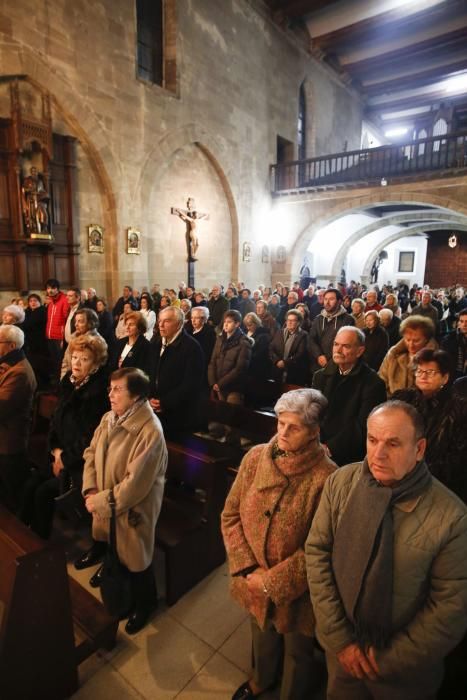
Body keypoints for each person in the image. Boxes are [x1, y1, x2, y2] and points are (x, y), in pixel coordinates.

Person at [305, 401, 467, 700]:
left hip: (403, 675)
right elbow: (317, 552)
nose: (378, 454)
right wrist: (342, 641)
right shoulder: (341, 482)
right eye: (372, 440)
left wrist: (383, 661)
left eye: (393, 443)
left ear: (419, 449)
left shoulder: (452, 517)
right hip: (342, 655)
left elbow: (449, 609)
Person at [222, 388, 336, 700]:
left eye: (294, 427)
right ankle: (260, 680)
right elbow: (230, 513)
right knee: (260, 631)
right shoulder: (256, 457)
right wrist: (248, 568)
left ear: (314, 432)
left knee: (297, 649)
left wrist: (271, 581)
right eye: (280, 423)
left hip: (297, 589)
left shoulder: (328, 477)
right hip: (252, 574)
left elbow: (320, 549)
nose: (283, 432)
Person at [82, 367, 167, 634]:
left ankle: (145, 604)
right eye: (110, 388)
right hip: (108, 500)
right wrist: (90, 489)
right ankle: (123, 594)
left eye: (118, 389)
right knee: (114, 549)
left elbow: (135, 486)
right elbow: (90, 453)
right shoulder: (109, 418)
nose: (110, 394)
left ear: (137, 395)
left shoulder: (150, 431)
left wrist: (100, 502)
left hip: (134, 508)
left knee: (137, 561)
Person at [25, 334, 109, 539]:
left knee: (42, 493)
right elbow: (56, 419)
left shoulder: (98, 394)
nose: (77, 363)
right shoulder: (68, 382)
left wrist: (64, 459)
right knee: (29, 485)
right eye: (74, 357)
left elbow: (90, 438)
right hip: (59, 454)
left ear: (96, 363)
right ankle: (21, 540)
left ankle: (37, 545)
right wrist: (55, 451)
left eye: (84, 359)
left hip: (81, 465)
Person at [393, 348, 467, 502]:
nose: (423, 376)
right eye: (419, 371)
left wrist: (417, 472)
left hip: (438, 482)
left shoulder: (458, 408)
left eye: (431, 372)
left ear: (445, 378)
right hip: (399, 472)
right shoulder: (403, 398)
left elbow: (457, 458)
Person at [312, 326, 386, 466]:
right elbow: (314, 413)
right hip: (318, 446)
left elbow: (362, 426)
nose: (338, 350)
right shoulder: (320, 376)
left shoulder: (373, 383)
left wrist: (330, 447)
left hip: (347, 455)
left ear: (360, 351)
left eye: (345, 346)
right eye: (336, 344)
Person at [150, 306, 204, 437]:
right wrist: (150, 397)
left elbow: (191, 383)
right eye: (159, 320)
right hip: (154, 409)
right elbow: (148, 372)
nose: (161, 325)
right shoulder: (156, 342)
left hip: (180, 414)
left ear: (179, 323)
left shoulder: (192, 347)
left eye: (167, 321)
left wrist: (165, 402)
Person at [0, 325, 37, 511]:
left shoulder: (19, 372)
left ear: (12, 345)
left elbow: (2, 407)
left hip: (9, 441)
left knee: (12, 492)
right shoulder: (8, 364)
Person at [378, 315, 438, 395]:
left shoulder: (435, 358)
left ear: (427, 339)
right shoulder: (393, 354)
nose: (411, 344)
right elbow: (381, 380)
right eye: (407, 339)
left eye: (416, 341)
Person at [208, 309, 252, 405]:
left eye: (229, 322)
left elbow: (239, 369)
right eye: (224, 322)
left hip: (234, 388)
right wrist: (213, 382)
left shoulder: (244, 343)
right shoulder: (220, 339)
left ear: (237, 324)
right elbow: (212, 362)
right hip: (218, 385)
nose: (225, 325)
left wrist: (220, 384)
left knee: (230, 416)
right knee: (217, 415)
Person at [308, 288, 354, 373]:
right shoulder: (318, 318)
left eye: (331, 299)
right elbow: (311, 339)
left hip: (337, 365)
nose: (327, 302)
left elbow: (347, 344)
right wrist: (319, 355)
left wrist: (331, 360)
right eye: (325, 299)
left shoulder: (348, 320)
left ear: (339, 301)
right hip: (317, 363)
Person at [61, 308, 105, 378]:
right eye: (76, 321)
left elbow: (98, 369)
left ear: (90, 323)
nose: (76, 324)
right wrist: (63, 380)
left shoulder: (97, 342)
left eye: (80, 321)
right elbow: (65, 362)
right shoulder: (74, 338)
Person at [270, 309, 309, 386]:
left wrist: (285, 362)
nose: (289, 322)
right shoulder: (280, 332)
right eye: (288, 320)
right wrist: (277, 360)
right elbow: (271, 348)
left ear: (298, 322)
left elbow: (300, 354)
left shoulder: (304, 335)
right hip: (277, 370)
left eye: (293, 320)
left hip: (293, 372)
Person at [110, 311, 152, 376]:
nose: (127, 327)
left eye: (131, 324)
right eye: (126, 324)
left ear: (140, 327)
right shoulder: (120, 342)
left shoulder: (146, 346)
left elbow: (142, 372)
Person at [45, 278, 69, 386]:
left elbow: (66, 319)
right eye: (48, 288)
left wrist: (62, 337)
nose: (50, 290)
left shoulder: (64, 300)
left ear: (57, 289)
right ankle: (55, 382)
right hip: (50, 335)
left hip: (59, 336)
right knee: (54, 360)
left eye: (53, 288)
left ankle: (61, 382)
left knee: (60, 361)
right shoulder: (50, 302)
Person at [243, 312, 272, 380]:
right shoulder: (244, 332)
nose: (248, 328)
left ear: (256, 323)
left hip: (256, 366)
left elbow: (261, 352)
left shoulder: (263, 334)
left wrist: (246, 357)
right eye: (246, 325)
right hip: (245, 364)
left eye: (250, 325)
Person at [442, 308, 467, 378]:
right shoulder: (449, 339)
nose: (464, 324)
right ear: (458, 323)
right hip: (453, 376)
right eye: (462, 321)